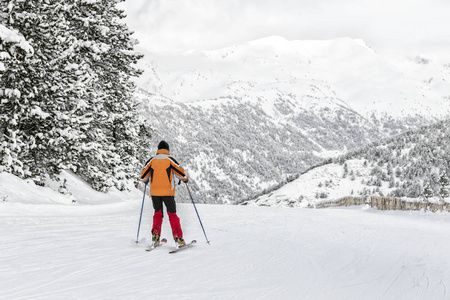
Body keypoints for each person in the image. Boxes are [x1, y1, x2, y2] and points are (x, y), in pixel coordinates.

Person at [140, 141, 189, 247]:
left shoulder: (151, 161)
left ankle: (155, 238)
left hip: (155, 193)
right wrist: (185, 180)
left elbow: (143, 177)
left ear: (158, 149)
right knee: (172, 215)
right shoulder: (170, 160)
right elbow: (181, 173)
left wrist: (146, 181)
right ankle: (178, 239)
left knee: (157, 214)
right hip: (168, 193)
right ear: (167, 150)